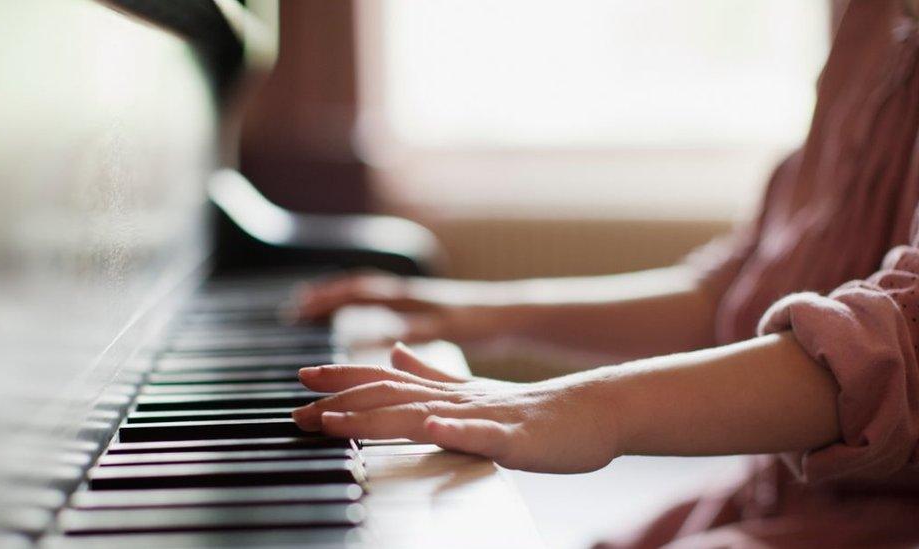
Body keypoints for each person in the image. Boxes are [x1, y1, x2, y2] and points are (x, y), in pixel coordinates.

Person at [290, 1, 919, 546]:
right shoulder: (867, 17)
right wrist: (492, 316)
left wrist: (589, 409)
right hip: (777, 505)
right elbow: (738, 292)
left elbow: (899, 347)